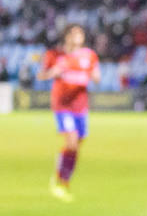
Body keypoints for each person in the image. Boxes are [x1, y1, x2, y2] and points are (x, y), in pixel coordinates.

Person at [36, 24, 100, 201]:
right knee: (71, 142)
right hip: (62, 105)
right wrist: (53, 72)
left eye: (80, 33)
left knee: (76, 146)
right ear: (66, 36)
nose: (78, 36)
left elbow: (96, 77)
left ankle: (63, 178)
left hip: (81, 106)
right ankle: (59, 180)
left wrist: (93, 75)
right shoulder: (56, 55)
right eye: (74, 33)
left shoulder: (89, 55)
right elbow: (41, 75)